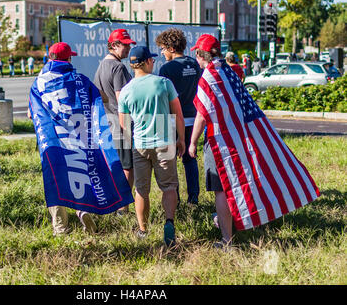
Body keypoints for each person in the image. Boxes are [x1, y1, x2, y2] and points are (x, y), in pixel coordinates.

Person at [188, 35, 320, 250]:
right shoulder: (228, 71)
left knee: (221, 190)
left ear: (199, 54)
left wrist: (192, 141)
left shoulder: (208, 78)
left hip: (220, 141)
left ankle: (226, 239)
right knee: (241, 182)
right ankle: (241, 223)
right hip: (240, 137)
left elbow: (202, 114)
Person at [118, 46, 185, 247]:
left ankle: (143, 229)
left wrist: (133, 142)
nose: (154, 63)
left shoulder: (126, 90)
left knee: (141, 190)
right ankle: (169, 222)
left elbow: (123, 124)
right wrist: (181, 139)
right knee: (169, 186)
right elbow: (178, 115)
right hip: (164, 141)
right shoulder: (164, 84)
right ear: (147, 62)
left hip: (140, 144)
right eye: (152, 60)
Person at [27, 42, 97, 236]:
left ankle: (60, 228)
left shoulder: (39, 82)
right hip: (77, 138)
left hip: (52, 142)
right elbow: (100, 99)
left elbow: (31, 113)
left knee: (56, 182)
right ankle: (83, 211)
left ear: (49, 58)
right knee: (79, 177)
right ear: (69, 58)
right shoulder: (80, 80)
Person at [155, 28, 201, 205]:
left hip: (174, 120)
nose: (161, 52)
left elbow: (162, 97)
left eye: (163, 49)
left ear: (171, 48)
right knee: (190, 159)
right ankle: (194, 198)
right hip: (194, 119)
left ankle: (176, 199)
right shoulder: (194, 64)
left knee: (171, 161)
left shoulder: (167, 68)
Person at [94, 28, 136, 214]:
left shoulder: (102, 64)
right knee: (128, 166)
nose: (127, 49)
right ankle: (123, 207)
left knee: (114, 165)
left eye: (129, 45)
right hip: (121, 122)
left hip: (107, 122)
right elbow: (122, 100)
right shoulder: (118, 67)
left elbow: (101, 95)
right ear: (113, 45)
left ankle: (113, 203)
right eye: (124, 45)